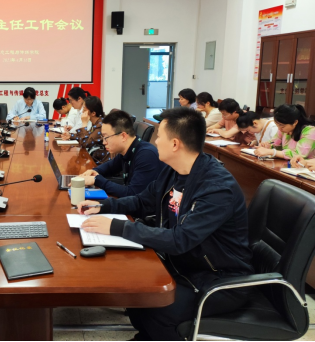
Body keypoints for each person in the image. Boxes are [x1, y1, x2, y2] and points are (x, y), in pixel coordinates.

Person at [77, 107, 253, 340]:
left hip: (219, 279)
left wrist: (117, 227)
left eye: (159, 136)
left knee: (158, 307)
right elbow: (143, 200)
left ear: (175, 144)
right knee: (136, 292)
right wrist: (105, 206)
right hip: (185, 264)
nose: (155, 141)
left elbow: (181, 239)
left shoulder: (217, 188)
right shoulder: (173, 172)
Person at [78, 110, 164, 198]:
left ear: (123, 136)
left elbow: (133, 194)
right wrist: (94, 171)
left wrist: (97, 180)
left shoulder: (146, 155)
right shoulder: (127, 150)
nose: (104, 142)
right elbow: (110, 166)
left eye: (106, 137)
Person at [61, 96, 110, 164]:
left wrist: (84, 124)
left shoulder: (101, 125)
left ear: (93, 113)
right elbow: (87, 137)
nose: (82, 111)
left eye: (84, 109)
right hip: (93, 156)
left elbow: (85, 143)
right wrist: (70, 136)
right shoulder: (96, 122)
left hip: (99, 161)